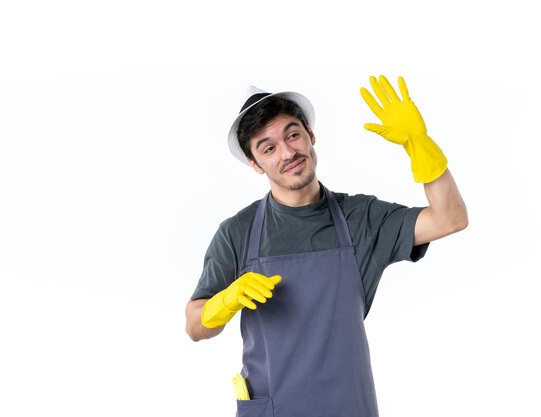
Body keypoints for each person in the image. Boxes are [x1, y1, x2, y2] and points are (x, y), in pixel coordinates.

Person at [185, 75, 468, 417]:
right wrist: (224, 302)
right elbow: (195, 326)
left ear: (310, 135)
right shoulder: (236, 232)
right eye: (268, 147)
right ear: (255, 164)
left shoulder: (361, 218)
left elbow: (450, 218)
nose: (288, 152)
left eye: (293, 134)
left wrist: (419, 145)